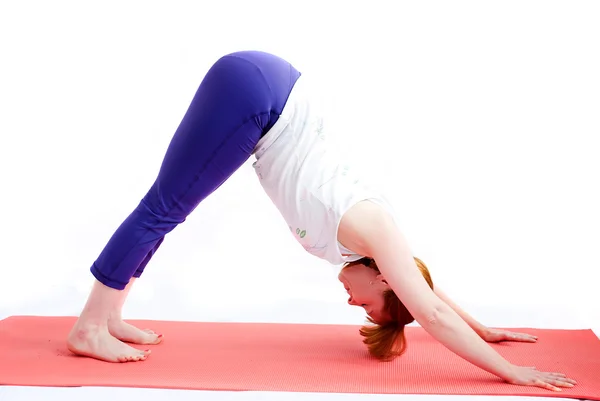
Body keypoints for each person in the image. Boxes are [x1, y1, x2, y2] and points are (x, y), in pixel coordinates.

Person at [67, 50, 576, 392]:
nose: (353, 303)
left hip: (267, 90)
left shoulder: (374, 252)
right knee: (162, 210)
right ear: (384, 279)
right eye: (369, 307)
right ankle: (90, 327)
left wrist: (485, 328)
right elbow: (431, 313)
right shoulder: (374, 231)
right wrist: (512, 374)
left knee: (166, 211)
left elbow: (427, 293)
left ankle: (108, 316)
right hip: (260, 99)